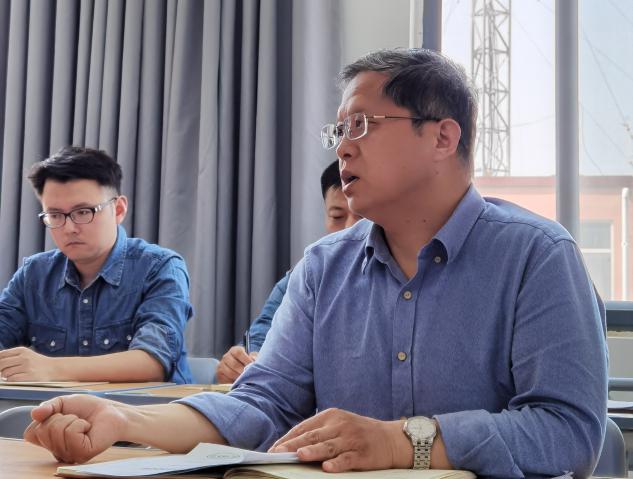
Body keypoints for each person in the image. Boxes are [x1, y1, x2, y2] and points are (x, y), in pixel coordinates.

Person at [24, 49, 607, 478]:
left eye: (362, 126)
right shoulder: (324, 266)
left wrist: (404, 441)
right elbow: (261, 405)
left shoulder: (536, 255)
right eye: (339, 131)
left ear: (442, 137)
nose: (343, 147)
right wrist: (125, 421)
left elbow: (569, 430)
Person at [0, 146, 193, 384]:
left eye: (83, 212)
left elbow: (152, 362)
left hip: (145, 406)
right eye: (55, 215)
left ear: (119, 210)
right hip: (50, 407)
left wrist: (51, 368)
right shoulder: (34, 274)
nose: (69, 228)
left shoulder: (160, 267)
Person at [215, 160, 360, 383]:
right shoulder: (305, 274)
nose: (350, 227)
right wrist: (241, 362)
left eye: (361, 216)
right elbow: (261, 335)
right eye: (337, 217)